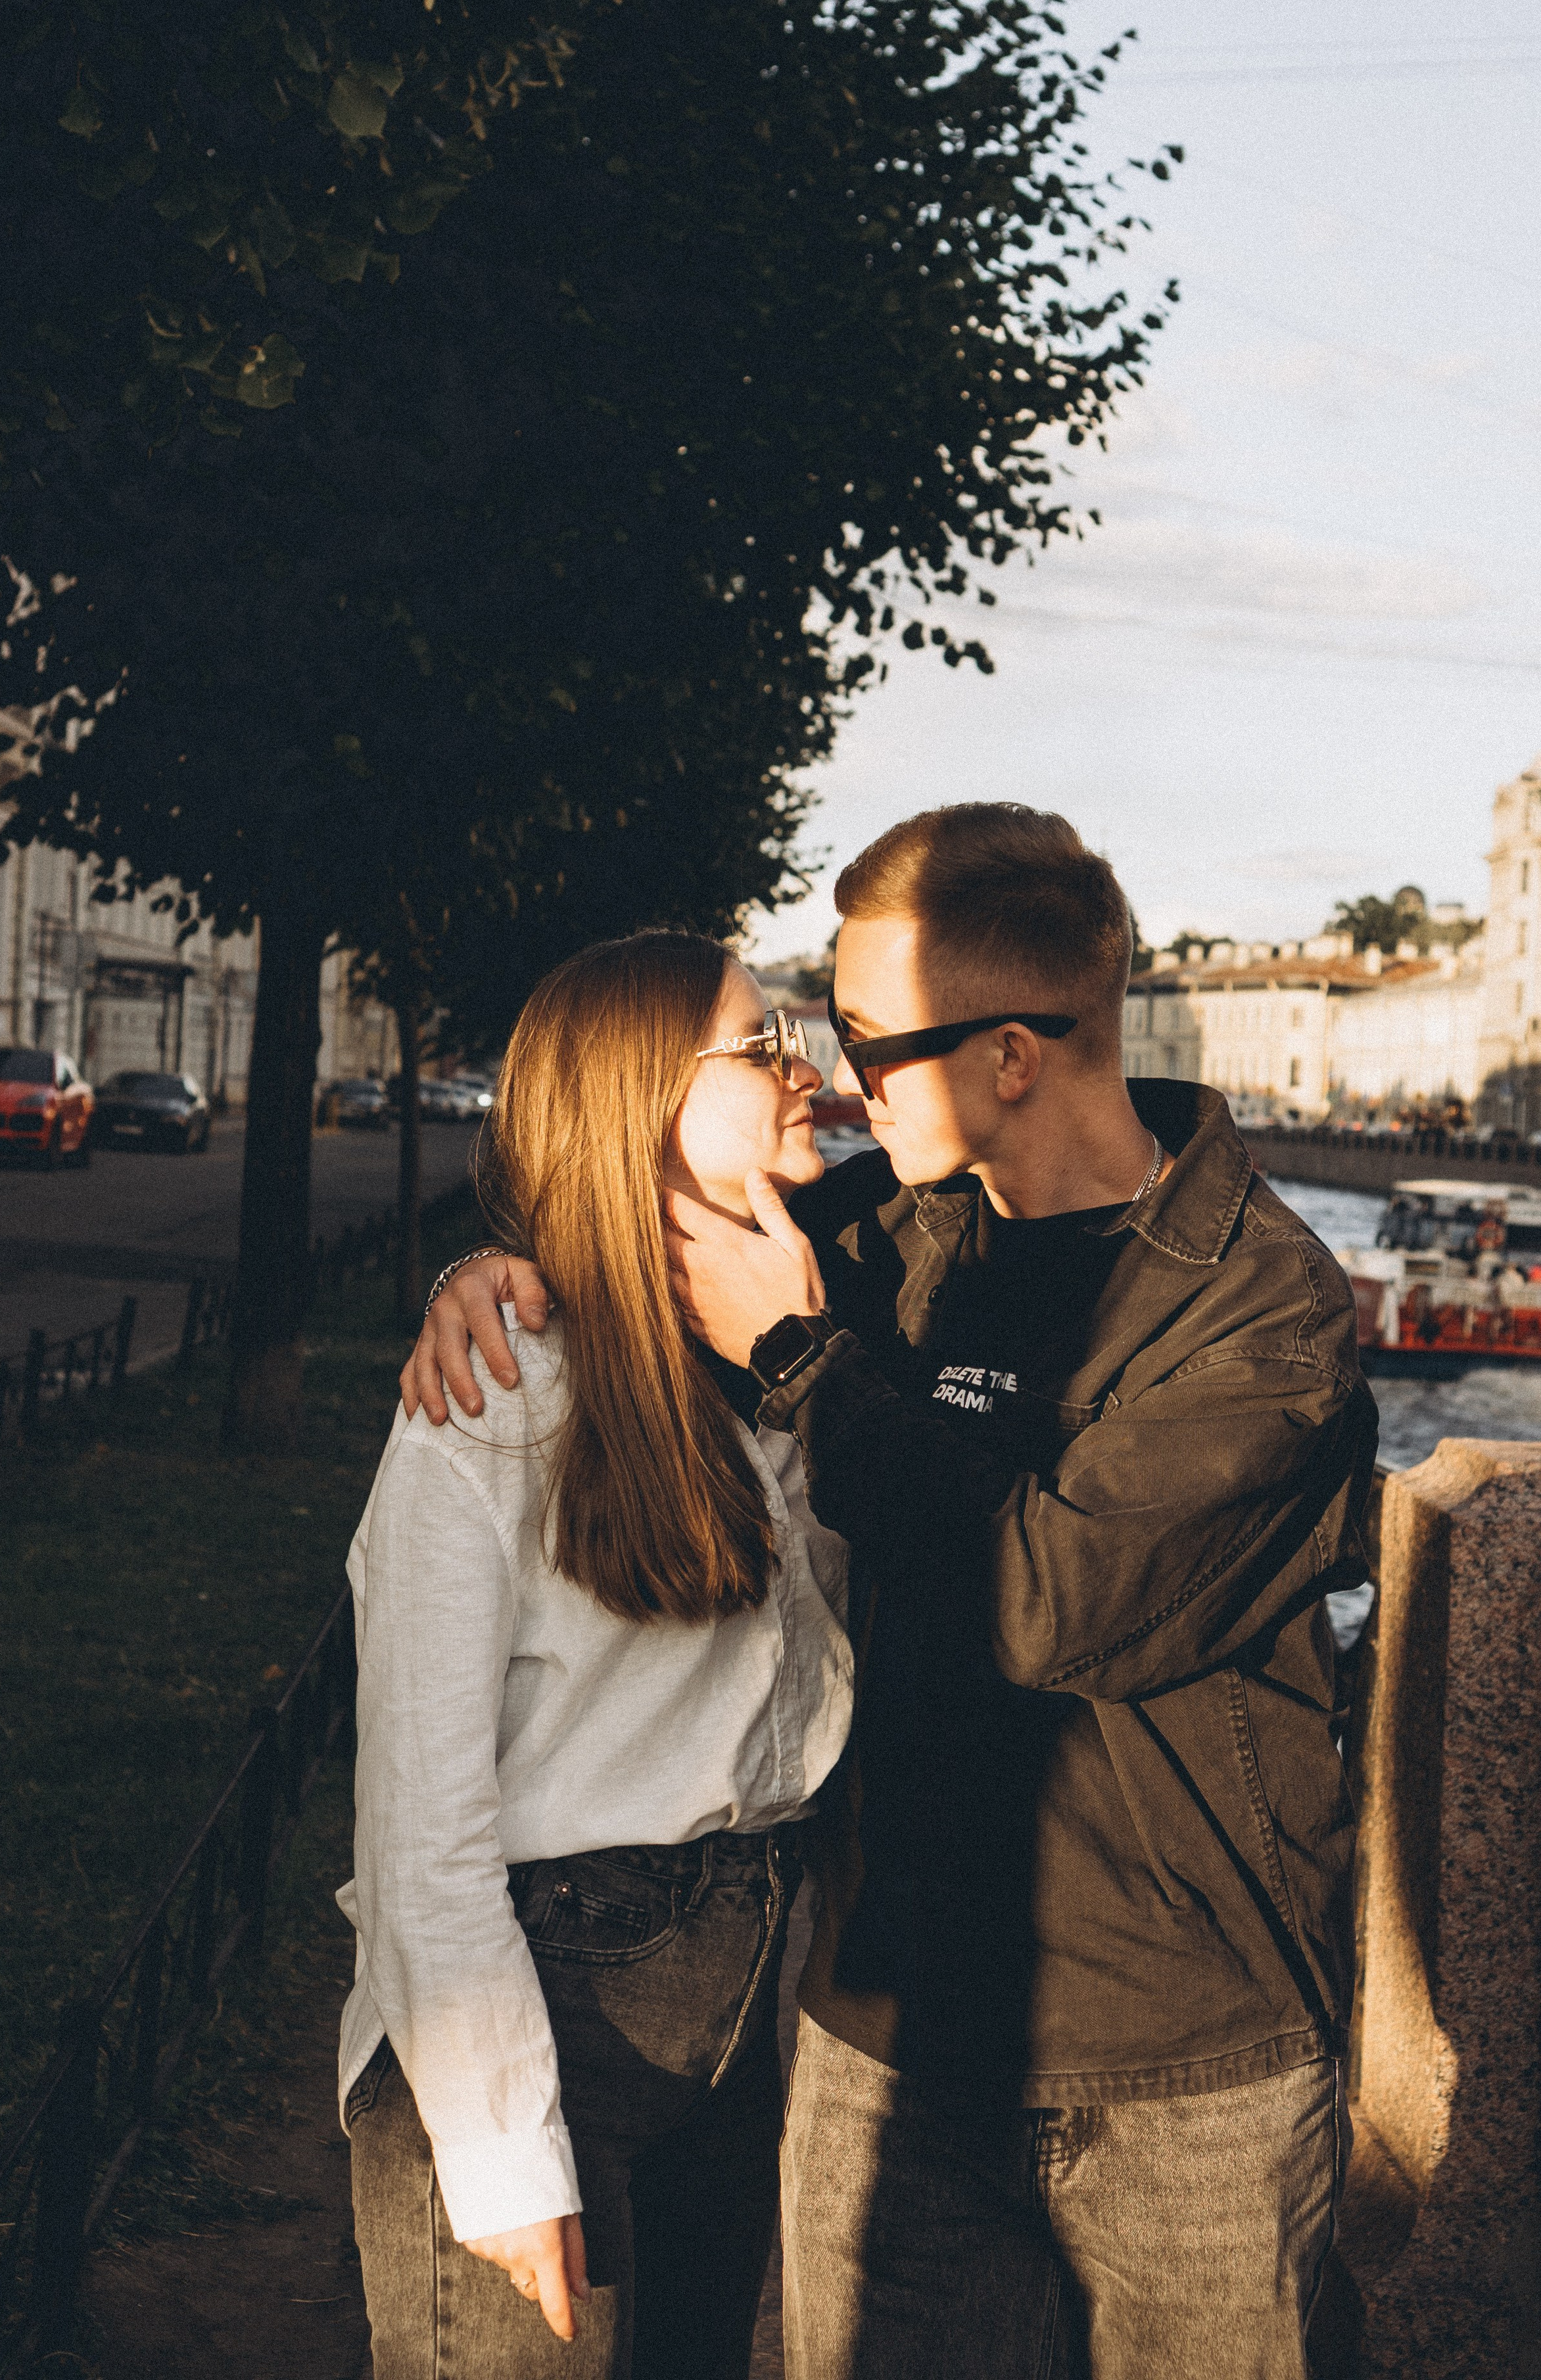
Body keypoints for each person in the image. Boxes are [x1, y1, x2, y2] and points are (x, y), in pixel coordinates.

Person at [406, 804, 1378, 2380]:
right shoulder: (880, 1237)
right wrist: (495, 1273)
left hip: (1184, 2057)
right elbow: (633, 1214)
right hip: (888, 2036)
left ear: (1011, 1054)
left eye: (867, 1045)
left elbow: (1048, 1602)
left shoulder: (1260, 1309)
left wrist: (804, 1363)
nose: (834, 1083)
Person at [342, 930, 853, 2379]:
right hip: (534, 1998)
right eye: (757, 1051)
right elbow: (420, 1825)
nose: (800, 1069)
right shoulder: (499, 1391)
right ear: (637, 1101)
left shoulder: (798, 1336)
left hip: (742, 2003)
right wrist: (501, 2153)